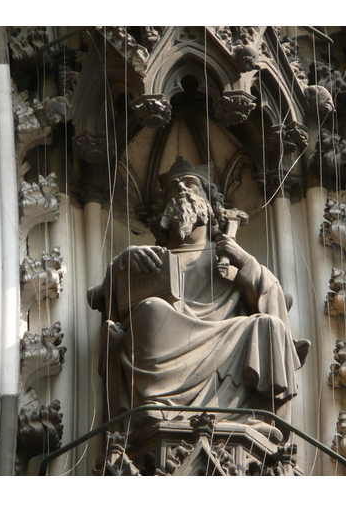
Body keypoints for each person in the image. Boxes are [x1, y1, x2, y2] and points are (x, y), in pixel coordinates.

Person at [88, 157, 307, 433]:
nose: (181, 190)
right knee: (151, 310)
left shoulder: (226, 258)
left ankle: (263, 419)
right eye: (173, 189)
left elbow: (275, 299)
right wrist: (121, 265)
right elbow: (102, 302)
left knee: (270, 326)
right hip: (170, 334)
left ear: (210, 204)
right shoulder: (151, 258)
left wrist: (246, 262)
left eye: (191, 185)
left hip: (225, 337)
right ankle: (158, 407)